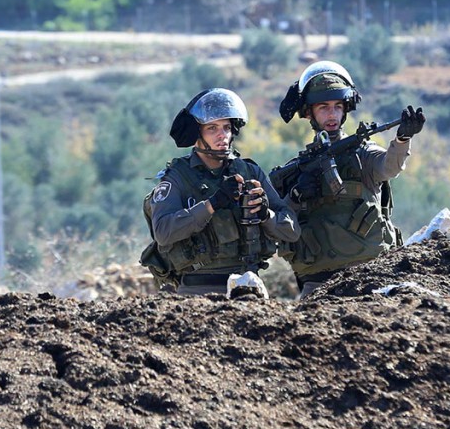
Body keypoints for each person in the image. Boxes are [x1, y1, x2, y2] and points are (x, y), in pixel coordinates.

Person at [271, 61, 425, 298]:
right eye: (323, 107)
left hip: (370, 275)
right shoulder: (295, 171)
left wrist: (402, 139)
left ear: (346, 109)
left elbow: (389, 166)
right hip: (317, 282)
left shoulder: (362, 153)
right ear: (309, 112)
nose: (331, 115)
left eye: (337, 106)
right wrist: (296, 196)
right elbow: (277, 227)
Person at [141, 88, 299, 296]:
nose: (222, 135)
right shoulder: (178, 177)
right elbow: (163, 231)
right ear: (198, 133)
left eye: (226, 127)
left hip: (247, 286)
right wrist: (211, 205)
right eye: (212, 128)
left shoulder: (249, 171)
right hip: (197, 290)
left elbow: (292, 231)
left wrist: (264, 214)